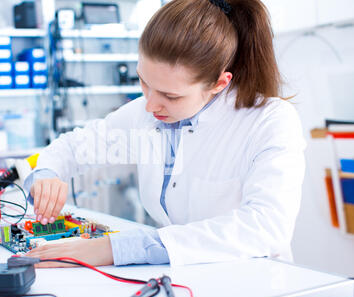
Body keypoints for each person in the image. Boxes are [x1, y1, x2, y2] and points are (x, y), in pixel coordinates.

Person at [23, 0, 306, 268]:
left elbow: (266, 228)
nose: (150, 104)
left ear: (220, 83)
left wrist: (116, 248)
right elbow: (74, 147)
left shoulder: (269, 121)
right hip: (184, 278)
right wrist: (47, 172)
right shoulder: (145, 115)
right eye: (143, 82)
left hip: (254, 282)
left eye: (170, 95)